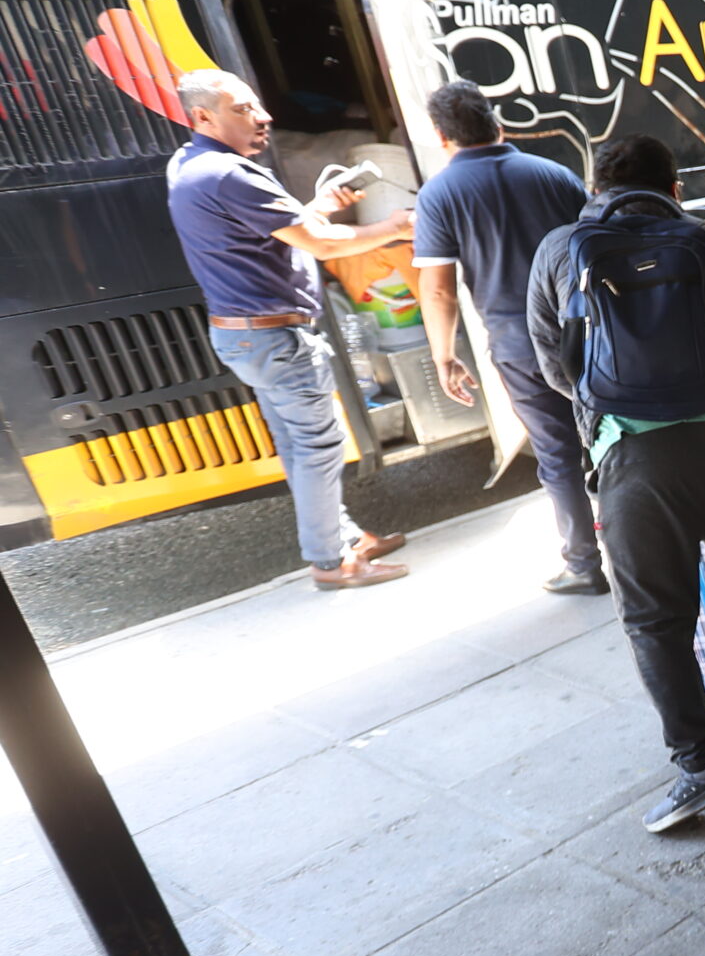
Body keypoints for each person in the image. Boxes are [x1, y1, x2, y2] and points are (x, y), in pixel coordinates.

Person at [526, 135, 705, 832]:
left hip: (632, 460)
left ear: (594, 190)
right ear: (674, 187)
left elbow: (556, 369)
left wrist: (616, 408)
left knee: (656, 618)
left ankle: (703, 763)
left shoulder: (560, 251)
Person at [165, 70, 416, 590]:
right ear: (203, 117)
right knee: (319, 447)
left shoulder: (190, 166)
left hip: (246, 335)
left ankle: (343, 540)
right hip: (276, 336)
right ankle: (332, 562)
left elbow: (276, 233)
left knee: (302, 449)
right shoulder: (230, 175)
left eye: (257, 106)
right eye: (243, 110)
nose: (263, 117)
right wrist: (394, 227)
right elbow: (320, 246)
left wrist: (320, 206)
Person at [408, 81, 603, 596]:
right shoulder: (553, 174)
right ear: (499, 123)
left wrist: (444, 356)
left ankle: (584, 563)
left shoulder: (439, 195)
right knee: (614, 432)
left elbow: (439, 290)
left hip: (521, 346)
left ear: (440, 135)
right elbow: (595, 246)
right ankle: (645, 540)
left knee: (557, 452)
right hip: (588, 330)